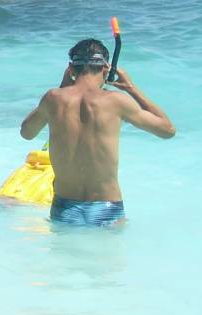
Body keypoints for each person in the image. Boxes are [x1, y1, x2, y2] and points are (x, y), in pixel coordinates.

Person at [20, 39, 175, 227]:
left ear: (71, 68)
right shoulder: (116, 101)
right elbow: (167, 130)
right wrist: (131, 89)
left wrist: (62, 88)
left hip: (65, 208)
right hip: (107, 208)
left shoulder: (53, 98)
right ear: (106, 69)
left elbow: (26, 132)